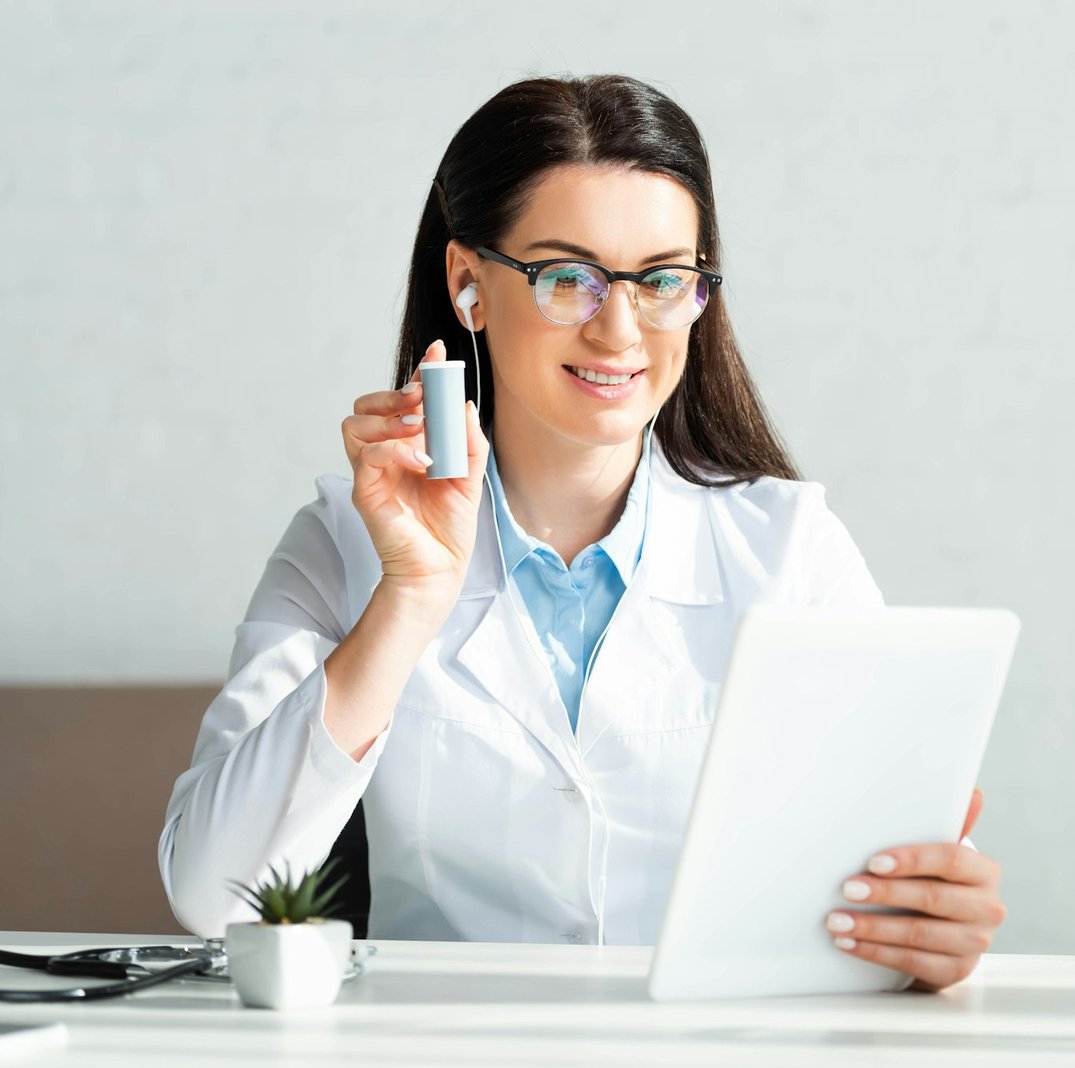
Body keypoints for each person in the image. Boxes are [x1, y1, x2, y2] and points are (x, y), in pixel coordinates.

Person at [158, 74, 1005, 992]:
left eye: (663, 280)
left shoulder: (791, 549)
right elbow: (214, 893)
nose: (620, 328)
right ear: (468, 283)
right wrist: (409, 598)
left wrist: (930, 927)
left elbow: (891, 886)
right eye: (569, 277)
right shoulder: (345, 541)